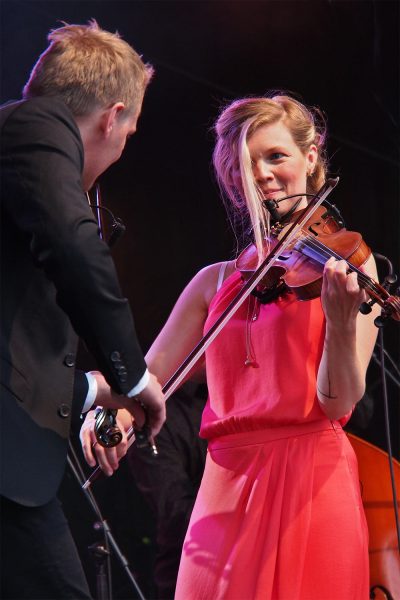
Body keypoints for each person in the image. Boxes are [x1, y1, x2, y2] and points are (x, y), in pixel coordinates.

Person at [81, 94, 380, 599]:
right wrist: (106, 407)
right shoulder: (214, 282)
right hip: (226, 484)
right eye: (246, 165)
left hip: (312, 477)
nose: (261, 174)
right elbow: (147, 375)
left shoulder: (348, 264)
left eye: (275, 156)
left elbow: (338, 402)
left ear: (311, 158)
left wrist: (340, 321)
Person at [0, 21, 166, 600]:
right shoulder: (35, 125)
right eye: (129, 134)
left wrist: (94, 392)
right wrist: (134, 374)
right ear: (110, 117)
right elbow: (73, 245)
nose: (120, 151)